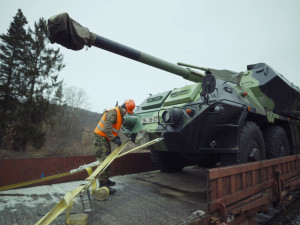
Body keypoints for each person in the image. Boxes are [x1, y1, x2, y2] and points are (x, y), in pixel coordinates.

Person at [93, 99, 135, 194]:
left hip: (105, 138)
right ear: (124, 108)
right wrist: (114, 139)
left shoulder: (120, 114)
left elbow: (113, 129)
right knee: (104, 160)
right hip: (100, 138)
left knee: (108, 159)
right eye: (127, 111)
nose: (126, 114)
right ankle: (103, 185)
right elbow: (106, 129)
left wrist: (117, 136)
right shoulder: (113, 113)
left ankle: (106, 180)